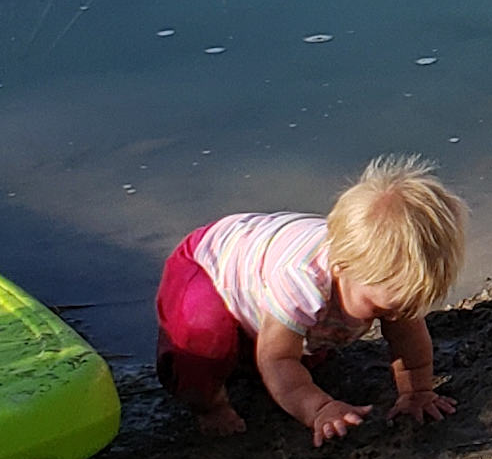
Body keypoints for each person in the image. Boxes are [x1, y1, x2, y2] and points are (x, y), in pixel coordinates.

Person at [156, 155, 468, 443]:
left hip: (269, 277)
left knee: (301, 348)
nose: (395, 315)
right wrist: (318, 408)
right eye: (382, 309)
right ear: (340, 267)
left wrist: (417, 392)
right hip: (208, 266)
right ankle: (211, 405)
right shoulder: (301, 283)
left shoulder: (384, 281)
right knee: (205, 345)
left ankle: (257, 341)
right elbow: (276, 360)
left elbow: (409, 340)